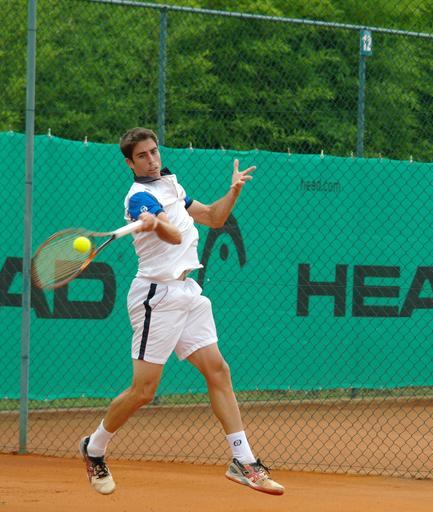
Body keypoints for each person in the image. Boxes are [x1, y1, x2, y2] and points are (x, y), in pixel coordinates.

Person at [79, 127, 284, 496]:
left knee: (218, 370)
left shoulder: (170, 184)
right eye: (142, 156)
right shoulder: (138, 197)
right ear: (129, 163)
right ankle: (94, 448)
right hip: (156, 298)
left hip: (188, 292)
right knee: (144, 391)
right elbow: (173, 236)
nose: (151, 160)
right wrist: (155, 222)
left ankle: (243, 461)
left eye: (154, 152)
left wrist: (234, 191)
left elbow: (213, 218)